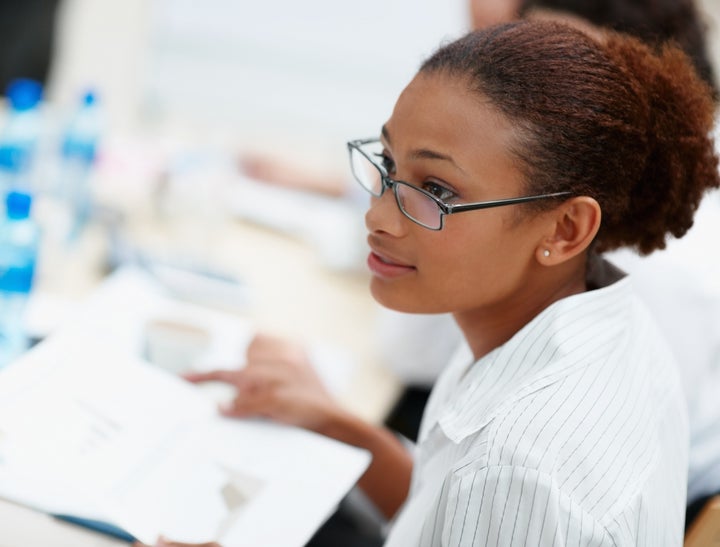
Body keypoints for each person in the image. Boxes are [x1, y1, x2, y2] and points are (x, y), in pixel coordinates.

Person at [137, 18, 719, 546]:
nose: (378, 216)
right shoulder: (595, 322)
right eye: (389, 166)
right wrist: (336, 421)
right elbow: (445, 512)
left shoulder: (521, 470)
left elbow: (490, 492)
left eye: (437, 192)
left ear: (566, 229)